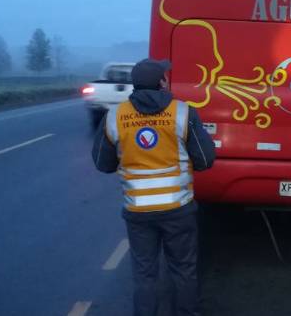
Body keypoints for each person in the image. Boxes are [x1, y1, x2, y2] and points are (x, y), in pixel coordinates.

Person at [92, 58, 216, 316]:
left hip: (138, 213)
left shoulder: (115, 117)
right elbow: (205, 160)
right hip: (178, 210)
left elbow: (103, 164)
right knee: (183, 270)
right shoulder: (182, 112)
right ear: (162, 82)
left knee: (145, 274)